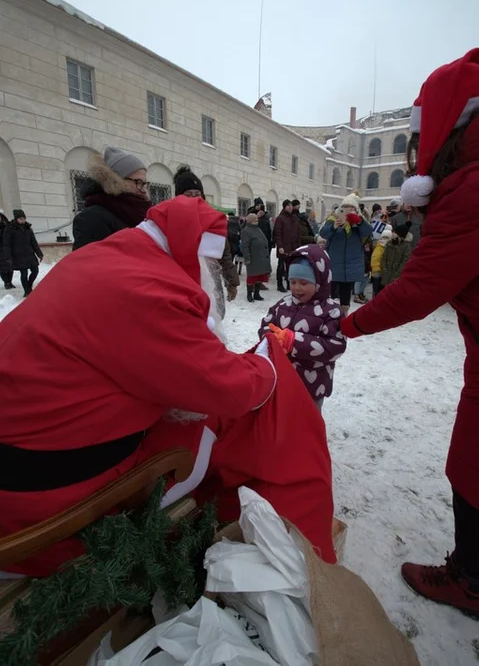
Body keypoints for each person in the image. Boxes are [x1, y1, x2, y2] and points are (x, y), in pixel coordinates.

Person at [0, 196, 336, 577]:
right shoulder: (150, 290)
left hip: (23, 448)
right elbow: (226, 388)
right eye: (209, 263)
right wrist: (266, 364)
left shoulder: (101, 258)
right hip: (38, 496)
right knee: (207, 436)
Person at [341, 48, 479, 619]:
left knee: (469, 464)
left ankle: (470, 581)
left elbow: (415, 291)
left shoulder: (470, 187)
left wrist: (342, 323)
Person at [259, 245, 346, 411]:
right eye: (292, 282)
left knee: (308, 424)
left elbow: (335, 346)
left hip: (312, 386)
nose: (297, 288)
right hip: (282, 380)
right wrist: (271, 337)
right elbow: (266, 324)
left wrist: (294, 342)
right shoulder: (283, 304)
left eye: (304, 283)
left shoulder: (332, 311)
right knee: (282, 419)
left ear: (320, 282)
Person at [173, 165, 239, 313]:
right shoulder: (171, 221)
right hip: (184, 285)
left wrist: (232, 282)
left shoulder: (212, 221)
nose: (194, 199)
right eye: (188, 194)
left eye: (197, 194)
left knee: (214, 319)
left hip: (211, 283)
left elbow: (225, 254)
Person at [72, 146, 152, 250]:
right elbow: (87, 263)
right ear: (116, 181)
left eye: (145, 183)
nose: (144, 189)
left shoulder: (141, 213)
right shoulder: (91, 218)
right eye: (138, 182)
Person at [319, 194, 372, 315]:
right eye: (345, 207)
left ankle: (343, 315)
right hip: (334, 262)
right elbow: (323, 233)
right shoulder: (333, 218)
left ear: (355, 209)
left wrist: (358, 221)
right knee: (330, 289)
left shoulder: (360, 221)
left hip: (351, 264)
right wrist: (334, 226)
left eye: (351, 207)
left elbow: (368, 231)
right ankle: (328, 313)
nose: (348, 209)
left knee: (346, 291)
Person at [4, 209, 43, 297]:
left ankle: (29, 286)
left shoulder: (28, 228)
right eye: (20, 219)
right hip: (18, 256)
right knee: (24, 274)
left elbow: (34, 242)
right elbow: (6, 244)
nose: (22, 220)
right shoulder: (10, 229)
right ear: (16, 218)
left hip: (30, 254)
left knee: (35, 271)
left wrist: (39, 253)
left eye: (23, 218)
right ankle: (27, 291)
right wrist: (8, 257)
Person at [241, 212, 272, 302]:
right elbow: (245, 246)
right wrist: (247, 258)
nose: (256, 221)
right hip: (253, 258)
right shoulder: (246, 231)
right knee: (252, 276)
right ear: (250, 221)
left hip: (260, 257)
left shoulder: (257, 229)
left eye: (257, 219)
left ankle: (257, 294)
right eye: (254, 220)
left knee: (259, 276)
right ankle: (249, 294)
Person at [273, 200, 300, 293]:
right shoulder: (280, 218)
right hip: (283, 246)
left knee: (290, 266)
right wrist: (280, 246)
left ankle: (289, 283)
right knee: (281, 266)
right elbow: (277, 233)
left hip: (293, 246)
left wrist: (298, 245)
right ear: (284, 207)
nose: (290, 207)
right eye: (288, 205)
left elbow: (297, 233)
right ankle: (279, 284)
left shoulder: (294, 218)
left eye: (291, 205)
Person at [380, 222, 413, 288]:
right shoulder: (389, 243)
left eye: (394, 232)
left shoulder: (406, 247)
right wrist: (384, 270)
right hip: (386, 275)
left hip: (397, 276)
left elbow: (405, 262)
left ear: (399, 234)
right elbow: (384, 258)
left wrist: (397, 273)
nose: (392, 234)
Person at [370, 226, 392, 297]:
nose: (384, 240)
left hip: (384, 272)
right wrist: (377, 269)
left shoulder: (387, 247)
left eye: (387, 238)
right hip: (378, 272)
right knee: (377, 290)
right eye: (384, 237)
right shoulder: (379, 247)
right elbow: (375, 259)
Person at [0, 210, 14, 290]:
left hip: (8, 248)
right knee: (2, 268)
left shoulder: (7, 226)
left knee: (10, 266)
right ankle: (6, 282)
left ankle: (10, 282)